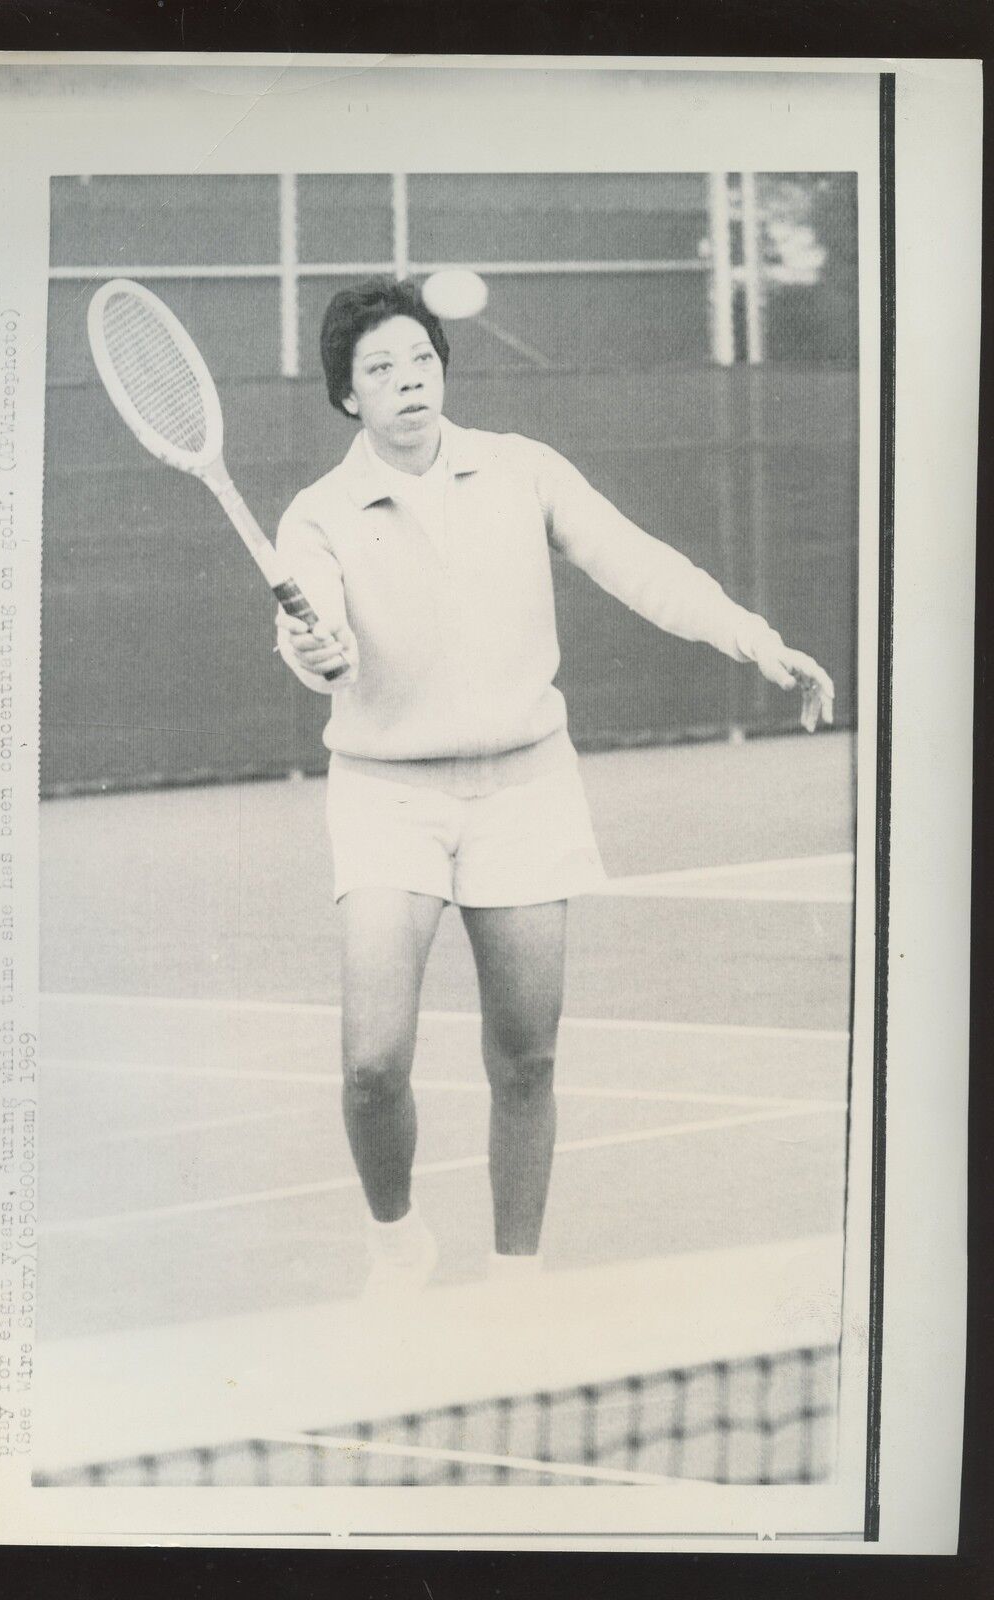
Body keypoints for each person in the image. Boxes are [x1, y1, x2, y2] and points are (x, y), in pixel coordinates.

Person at [274, 277, 834, 1301]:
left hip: (524, 789)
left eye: (420, 359)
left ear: (443, 367)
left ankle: (515, 1277)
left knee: (526, 1057)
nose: (408, 381)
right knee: (371, 1062)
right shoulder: (316, 515)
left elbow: (636, 563)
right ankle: (396, 1236)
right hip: (386, 797)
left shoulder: (523, 470)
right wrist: (318, 647)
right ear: (346, 397)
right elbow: (322, 647)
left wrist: (757, 642)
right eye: (380, 370)